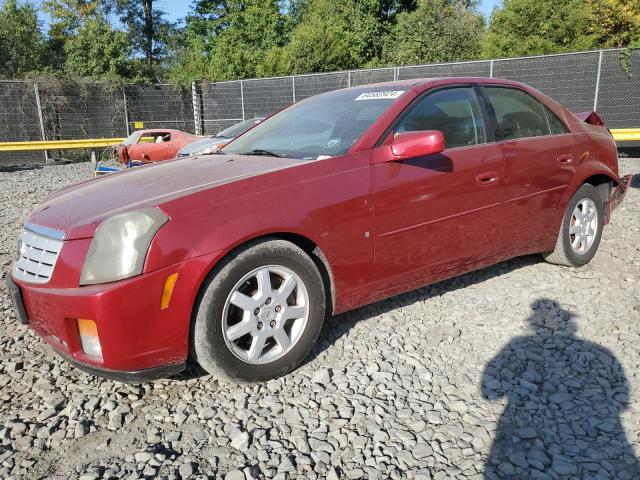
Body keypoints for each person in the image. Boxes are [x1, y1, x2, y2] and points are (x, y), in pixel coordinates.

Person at [482, 298, 639, 479]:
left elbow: (490, 394)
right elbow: (622, 398)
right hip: (602, 431)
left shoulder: (517, 343)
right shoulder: (599, 350)